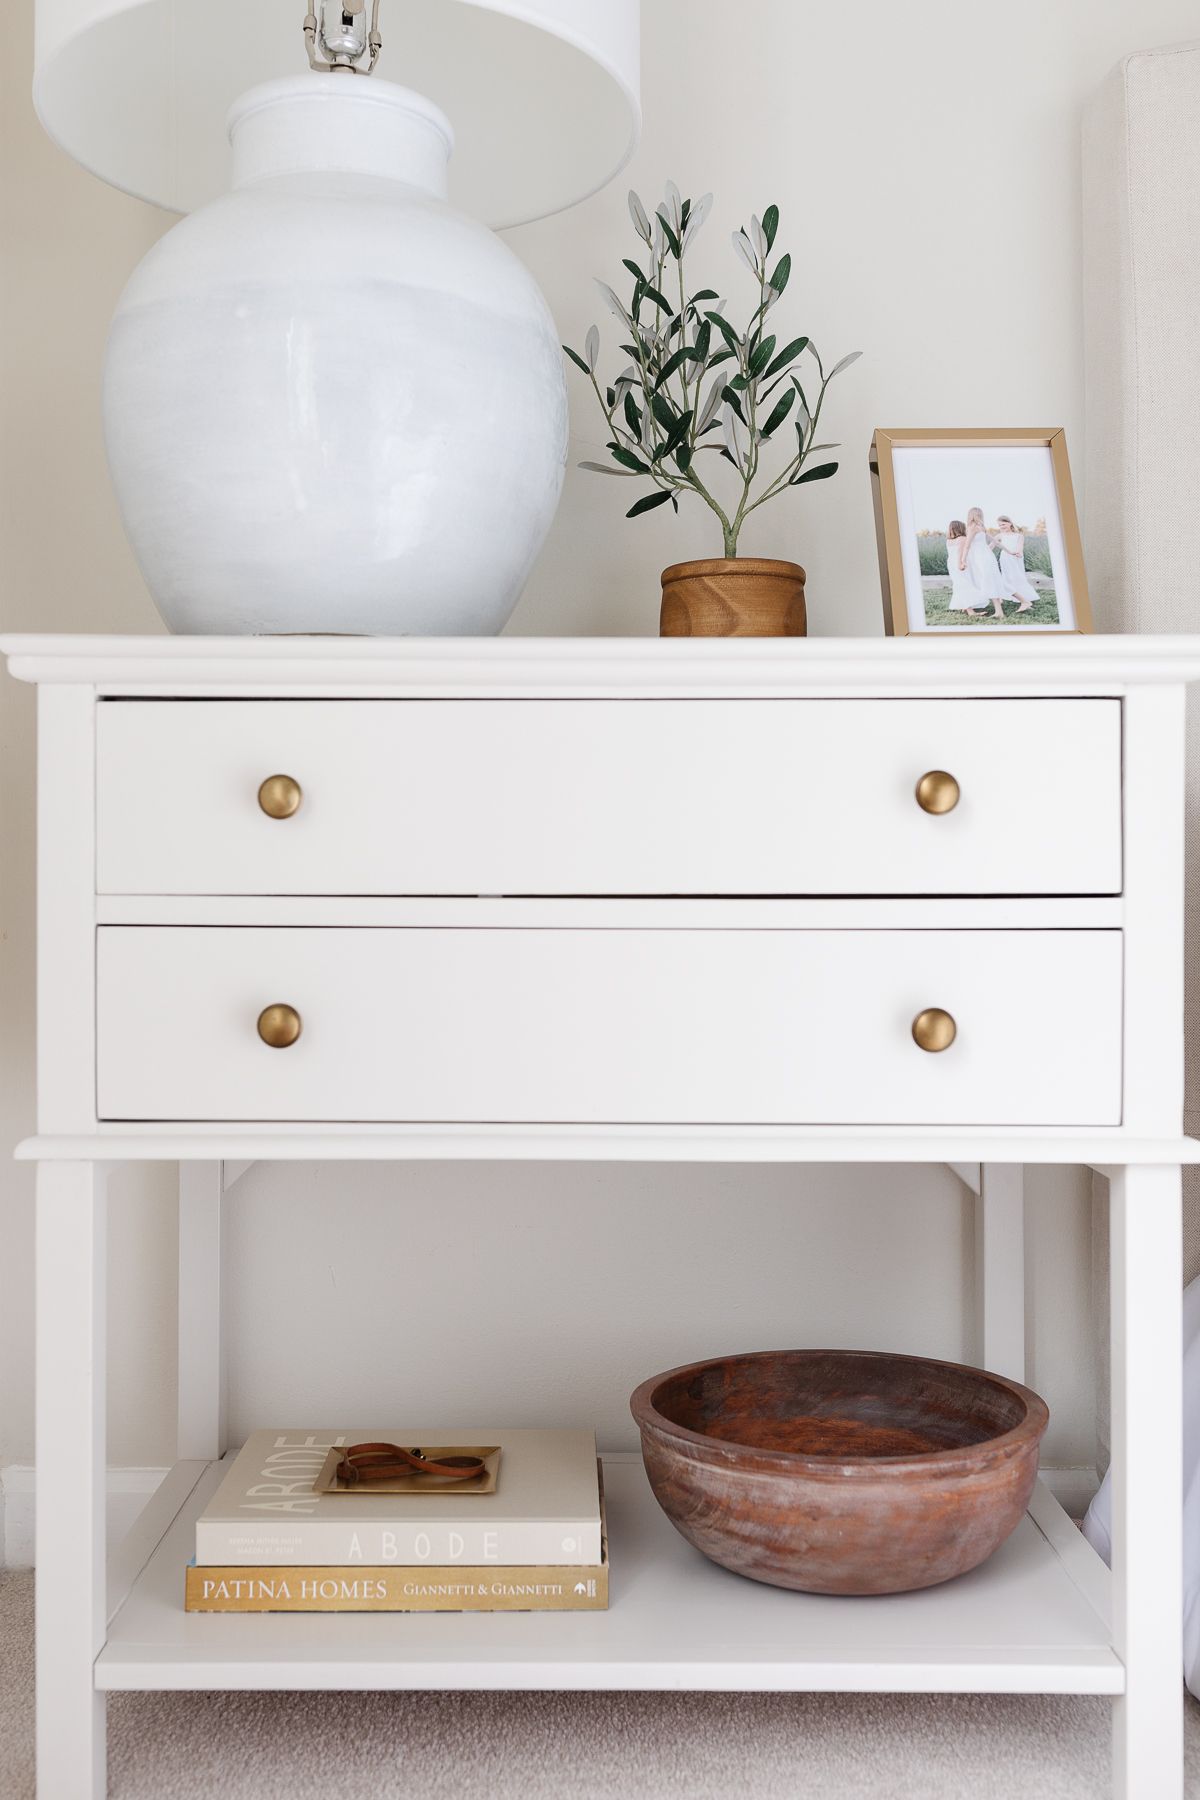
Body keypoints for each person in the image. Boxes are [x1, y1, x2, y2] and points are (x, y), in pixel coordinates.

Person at [962, 506, 1007, 620]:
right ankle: (973, 605)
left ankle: (999, 612)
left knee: (987, 581)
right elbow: (995, 541)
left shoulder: (973, 528)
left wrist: (963, 559)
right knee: (989, 580)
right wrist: (1009, 551)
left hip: (979, 557)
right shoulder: (982, 527)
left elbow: (967, 545)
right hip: (986, 555)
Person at [995, 514, 1038, 613]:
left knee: (1018, 576)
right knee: (1007, 576)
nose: (1002, 527)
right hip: (1005, 558)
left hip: (1016, 558)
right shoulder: (999, 536)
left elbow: (1020, 546)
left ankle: (1025, 597)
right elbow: (991, 545)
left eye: (1003, 524)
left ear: (1009, 523)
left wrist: (1018, 552)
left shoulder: (1019, 535)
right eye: (1000, 525)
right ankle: (1010, 595)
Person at [944, 520, 986, 615]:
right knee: (965, 583)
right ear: (961, 528)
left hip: (951, 563)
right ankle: (970, 611)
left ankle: (965, 606)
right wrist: (960, 563)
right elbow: (959, 552)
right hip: (959, 563)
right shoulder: (962, 538)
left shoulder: (949, 540)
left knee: (959, 584)